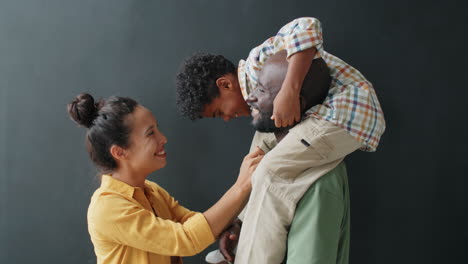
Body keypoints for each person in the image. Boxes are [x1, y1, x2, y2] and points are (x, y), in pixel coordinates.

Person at [176, 17, 386, 263]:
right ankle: (240, 240)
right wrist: (240, 221)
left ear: (225, 84)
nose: (226, 119)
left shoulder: (258, 61)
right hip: (322, 118)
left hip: (343, 115)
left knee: (270, 171)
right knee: (256, 155)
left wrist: (290, 90)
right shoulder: (259, 105)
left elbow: (307, 25)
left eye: (219, 112)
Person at [67, 93, 264, 264]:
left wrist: (229, 228)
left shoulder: (151, 191)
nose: (163, 139)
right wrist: (241, 186)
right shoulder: (107, 208)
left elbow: (193, 222)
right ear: (120, 152)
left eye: (157, 128)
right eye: (151, 133)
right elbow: (186, 239)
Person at [207, 50, 353, 264]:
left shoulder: (317, 183)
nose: (251, 96)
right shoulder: (271, 152)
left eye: (263, 90)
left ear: (294, 102)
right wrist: (240, 225)